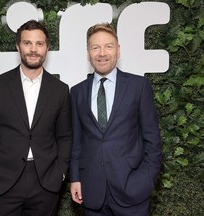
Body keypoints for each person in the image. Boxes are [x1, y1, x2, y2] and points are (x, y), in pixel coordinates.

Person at [0, 20, 72, 216]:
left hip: (45, 182)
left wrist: (60, 172)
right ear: (18, 46)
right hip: (3, 181)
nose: (33, 49)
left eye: (39, 44)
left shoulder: (60, 90)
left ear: (47, 48)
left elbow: (65, 137)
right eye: (27, 43)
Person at [69, 23, 162, 216]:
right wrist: (76, 178)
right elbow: (77, 141)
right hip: (92, 193)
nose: (102, 53)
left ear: (118, 50)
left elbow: (152, 139)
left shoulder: (139, 86)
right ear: (88, 53)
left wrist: (146, 179)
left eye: (108, 46)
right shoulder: (77, 92)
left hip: (133, 191)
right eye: (95, 47)